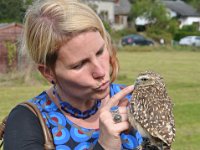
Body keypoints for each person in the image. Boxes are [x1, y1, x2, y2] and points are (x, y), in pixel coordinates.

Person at [4, 0, 143, 149]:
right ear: (48, 72)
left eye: (100, 51)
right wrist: (104, 146)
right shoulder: (26, 121)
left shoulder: (134, 101)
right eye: (79, 65)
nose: (101, 72)